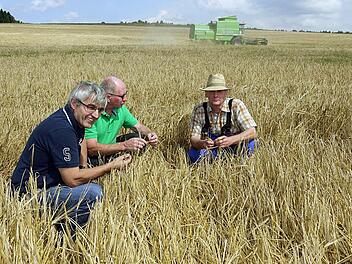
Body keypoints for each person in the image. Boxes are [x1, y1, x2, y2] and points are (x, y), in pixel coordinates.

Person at [11, 81, 132, 234]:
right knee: (93, 192)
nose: (95, 115)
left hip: (49, 185)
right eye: (91, 107)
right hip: (30, 195)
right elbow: (72, 179)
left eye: (100, 110)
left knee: (87, 185)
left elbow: (80, 142)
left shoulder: (73, 119)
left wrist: (83, 166)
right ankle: (68, 237)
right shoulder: (61, 130)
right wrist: (111, 166)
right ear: (75, 103)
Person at [85, 76, 158, 165]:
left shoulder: (120, 109)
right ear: (108, 97)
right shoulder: (92, 114)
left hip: (112, 150)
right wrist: (124, 146)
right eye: (122, 96)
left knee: (139, 138)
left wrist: (150, 134)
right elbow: (92, 149)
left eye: (126, 94)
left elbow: (137, 126)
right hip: (93, 157)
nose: (125, 99)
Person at [188, 73, 257, 163]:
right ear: (206, 94)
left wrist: (231, 140)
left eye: (219, 91)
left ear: (226, 93)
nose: (215, 95)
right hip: (212, 149)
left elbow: (252, 132)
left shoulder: (236, 105)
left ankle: (236, 162)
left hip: (234, 145)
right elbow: (194, 138)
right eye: (212, 91)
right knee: (193, 154)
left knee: (251, 146)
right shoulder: (199, 109)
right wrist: (202, 143)